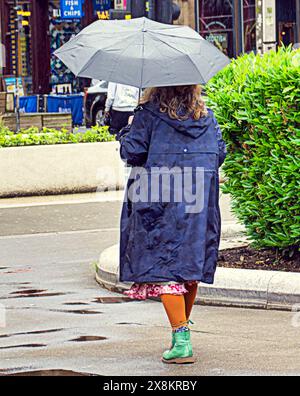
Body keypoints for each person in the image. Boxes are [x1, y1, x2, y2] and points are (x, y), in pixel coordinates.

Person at [118, 85, 227, 364]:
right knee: (188, 267)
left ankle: (181, 339)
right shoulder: (207, 117)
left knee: (165, 266)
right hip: (198, 201)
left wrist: (126, 130)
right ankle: (181, 332)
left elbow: (133, 153)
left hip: (159, 200)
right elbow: (219, 155)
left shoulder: (148, 114)